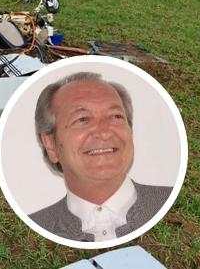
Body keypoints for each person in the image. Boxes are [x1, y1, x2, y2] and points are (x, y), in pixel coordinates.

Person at [29, 72, 172, 242]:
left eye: (115, 117)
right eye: (82, 119)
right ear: (51, 144)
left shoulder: (174, 205)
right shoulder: (32, 231)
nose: (103, 132)